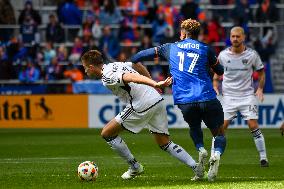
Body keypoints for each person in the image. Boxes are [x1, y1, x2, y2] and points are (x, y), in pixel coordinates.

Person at [80, 50, 204, 180]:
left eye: (85, 68)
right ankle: (196, 168)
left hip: (141, 103)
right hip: (155, 99)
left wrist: (154, 83)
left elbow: (132, 77)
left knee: (107, 133)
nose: (85, 72)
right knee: (164, 143)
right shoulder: (115, 64)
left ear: (91, 67)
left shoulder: (107, 77)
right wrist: (153, 84)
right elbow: (136, 65)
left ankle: (134, 167)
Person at [130, 19, 226, 181]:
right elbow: (220, 70)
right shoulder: (205, 49)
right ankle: (216, 154)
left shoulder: (169, 47)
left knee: (194, 126)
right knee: (219, 133)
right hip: (207, 96)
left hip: (185, 100)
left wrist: (137, 66)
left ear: (182, 33)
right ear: (198, 34)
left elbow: (138, 56)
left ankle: (201, 149)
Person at [213, 26, 269, 167]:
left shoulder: (252, 55)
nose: (235, 39)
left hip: (247, 96)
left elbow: (261, 73)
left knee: (253, 125)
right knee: (220, 129)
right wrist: (214, 86)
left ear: (243, 37)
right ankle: (213, 157)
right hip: (228, 97)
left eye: (238, 36)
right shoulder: (223, 55)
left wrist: (260, 88)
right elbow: (216, 75)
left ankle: (263, 158)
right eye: (233, 36)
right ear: (230, 38)